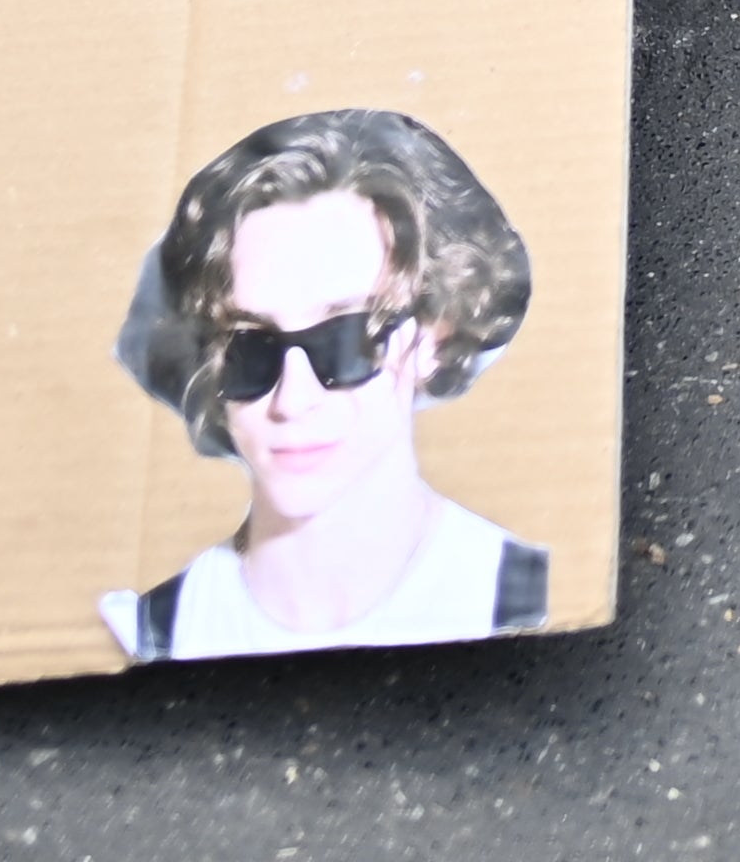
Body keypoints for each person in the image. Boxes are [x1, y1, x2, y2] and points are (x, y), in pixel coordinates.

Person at [102, 108, 546, 658]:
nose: (293, 400)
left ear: (436, 334)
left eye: (344, 341)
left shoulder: (531, 607)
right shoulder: (148, 639)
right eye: (251, 347)